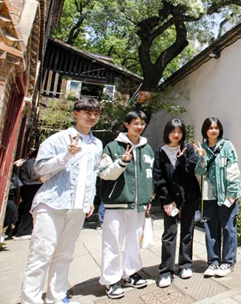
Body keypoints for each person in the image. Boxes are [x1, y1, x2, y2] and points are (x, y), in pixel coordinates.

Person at [21, 98, 103, 304]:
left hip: (78, 206)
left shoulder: (96, 144)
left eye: (96, 113)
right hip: (52, 203)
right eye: (87, 112)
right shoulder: (59, 139)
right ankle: (30, 299)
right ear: (76, 113)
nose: (92, 117)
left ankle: (56, 296)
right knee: (41, 253)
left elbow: (93, 173)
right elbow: (39, 169)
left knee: (65, 253)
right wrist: (66, 155)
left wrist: (90, 198)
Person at [98, 110, 154, 299]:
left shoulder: (147, 149)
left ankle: (130, 272)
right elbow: (104, 173)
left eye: (142, 123)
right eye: (136, 123)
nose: (139, 126)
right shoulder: (113, 147)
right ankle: (111, 280)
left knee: (133, 241)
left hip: (139, 205)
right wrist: (122, 162)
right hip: (117, 204)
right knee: (112, 242)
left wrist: (148, 198)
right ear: (127, 124)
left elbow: (149, 176)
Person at [153, 118, 201, 288]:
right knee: (169, 233)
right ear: (167, 133)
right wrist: (166, 199)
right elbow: (158, 177)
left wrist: (182, 161)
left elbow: (193, 170)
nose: (176, 134)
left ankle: (185, 264)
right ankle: (166, 271)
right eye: (173, 131)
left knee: (187, 230)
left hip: (189, 196)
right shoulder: (160, 152)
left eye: (179, 131)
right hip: (171, 199)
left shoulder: (187, 149)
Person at [194, 117, 241, 278]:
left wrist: (232, 196)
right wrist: (201, 157)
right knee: (210, 230)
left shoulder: (227, 146)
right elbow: (199, 173)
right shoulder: (203, 148)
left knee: (228, 229)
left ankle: (228, 262)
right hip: (209, 197)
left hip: (227, 196)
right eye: (210, 128)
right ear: (205, 131)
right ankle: (213, 262)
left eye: (216, 127)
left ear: (220, 129)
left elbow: (234, 171)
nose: (213, 130)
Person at [13, 148, 41, 239]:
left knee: (31, 208)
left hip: (34, 187)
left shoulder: (34, 162)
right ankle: (22, 231)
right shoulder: (30, 163)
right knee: (28, 208)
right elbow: (33, 176)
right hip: (30, 187)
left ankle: (26, 229)